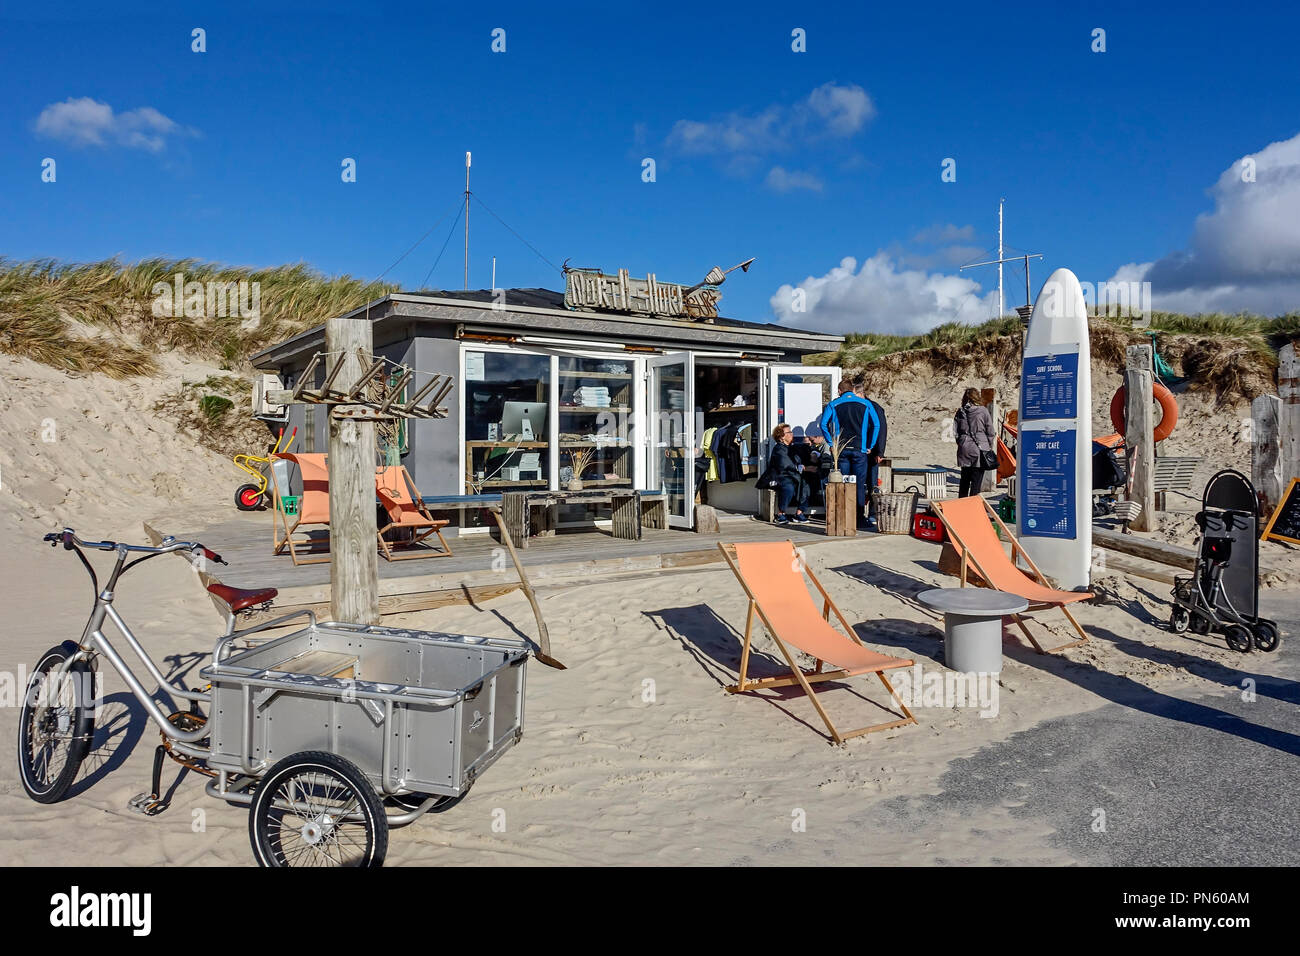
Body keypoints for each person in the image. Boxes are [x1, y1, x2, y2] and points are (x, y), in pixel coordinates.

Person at [818, 377, 881, 528]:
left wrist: (831, 443)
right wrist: (870, 445)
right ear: (852, 390)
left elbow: (823, 424)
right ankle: (859, 518)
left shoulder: (834, 404)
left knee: (843, 483)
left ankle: (843, 518)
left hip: (842, 450)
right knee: (859, 484)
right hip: (860, 449)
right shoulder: (866, 403)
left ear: (839, 391)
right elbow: (876, 425)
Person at [758, 424, 809, 524]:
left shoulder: (791, 447)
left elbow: (797, 458)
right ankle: (781, 514)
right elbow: (784, 463)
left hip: (792, 475)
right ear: (782, 437)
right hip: (778, 476)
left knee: (806, 484)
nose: (792, 434)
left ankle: (799, 513)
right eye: (789, 432)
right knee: (788, 487)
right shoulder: (778, 449)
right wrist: (798, 467)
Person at [854, 382, 888, 525]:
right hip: (859, 451)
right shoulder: (857, 407)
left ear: (861, 394)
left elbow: (881, 430)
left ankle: (873, 513)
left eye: (854, 395)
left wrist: (879, 451)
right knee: (861, 483)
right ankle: (860, 512)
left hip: (872, 451)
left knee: (872, 483)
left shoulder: (874, 407)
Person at [955, 387, 995, 497]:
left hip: (964, 449)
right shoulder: (983, 411)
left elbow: (956, 432)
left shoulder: (960, 411)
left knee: (964, 481)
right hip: (980, 449)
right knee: (976, 482)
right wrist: (988, 446)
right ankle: (972, 508)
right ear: (977, 397)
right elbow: (990, 431)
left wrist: (962, 442)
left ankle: (961, 506)